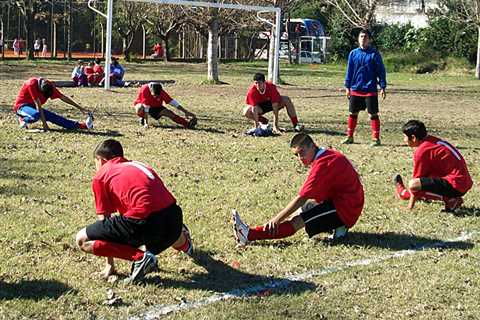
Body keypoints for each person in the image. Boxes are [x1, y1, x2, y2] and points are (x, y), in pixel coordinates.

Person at [75, 139, 194, 283]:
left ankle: (141, 258)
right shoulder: (139, 165)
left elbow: (104, 221)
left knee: (82, 239)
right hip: (174, 219)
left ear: (101, 160)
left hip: (147, 225)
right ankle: (185, 243)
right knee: (158, 219)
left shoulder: (101, 175)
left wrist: (109, 265)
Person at [233, 133, 364, 245]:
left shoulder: (323, 163)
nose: (300, 158)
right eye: (297, 155)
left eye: (302, 152)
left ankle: (248, 235)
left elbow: (301, 198)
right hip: (346, 202)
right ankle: (339, 227)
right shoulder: (327, 154)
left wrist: (276, 219)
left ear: (312, 146)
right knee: (305, 209)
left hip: (345, 209)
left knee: (297, 221)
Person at [393, 120, 472, 212]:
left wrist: (410, 207)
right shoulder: (432, 141)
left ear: (413, 138)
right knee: (425, 180)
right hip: (463, 182)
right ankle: (403, 192)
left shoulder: (422, 150)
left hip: (456, 185)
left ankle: (451, 200)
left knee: (414, 184)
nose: (404, 140)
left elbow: (416, 184)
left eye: (405, 137)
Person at [343, 29, 387, 146]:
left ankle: (376, 139)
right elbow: (349, 71)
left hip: (370, 90)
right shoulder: (353, 53)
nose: (363, 39)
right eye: (361, 37)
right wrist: (347, 86)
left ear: (369, 40)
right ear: (358, 39)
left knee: (373, 114)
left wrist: (382, 86)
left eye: (365, 37)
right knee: (352, 113)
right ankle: (350, 136)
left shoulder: (374, 54)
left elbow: (381, 71)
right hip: (355, 88)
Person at [13, 77, 94, 131]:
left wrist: (80, 108)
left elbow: (63, 97)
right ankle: (22, 118)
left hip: (34, 108)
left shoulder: (49, 86)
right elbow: (38, 105)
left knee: (54, 117)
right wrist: (45, 125)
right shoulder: (31, 84)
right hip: (21, 107)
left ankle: (82, 126)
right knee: (36, 115)